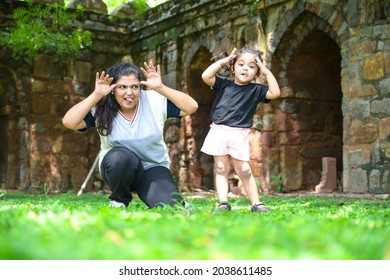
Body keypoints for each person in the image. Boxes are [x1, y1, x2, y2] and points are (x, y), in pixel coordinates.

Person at [62, 62, 198, 208]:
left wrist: (160, 88)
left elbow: (192, 106)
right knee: (120, 157)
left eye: (135, 86)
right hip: (119, 168)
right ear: (113, 89)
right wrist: (96, 95)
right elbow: (69, 122)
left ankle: (170, 199)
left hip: (152, 168)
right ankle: (119, 200)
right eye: (122, 87)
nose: (129, 92)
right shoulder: (102, 107)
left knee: (171, 206)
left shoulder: (154, 100)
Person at [200, 47, 281, 212]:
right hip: (219, 130)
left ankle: (256, 203)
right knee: (221, 168)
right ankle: (223, 202)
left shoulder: (256, 90)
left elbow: (275, 92)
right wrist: (223, 61)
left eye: (252, 66)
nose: (245, 68)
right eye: (241, 64)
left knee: (244, 169)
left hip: (239, 133)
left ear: (257, 72)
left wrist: (266, 71)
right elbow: (205, 76)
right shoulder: (224, 84)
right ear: (233, 67)